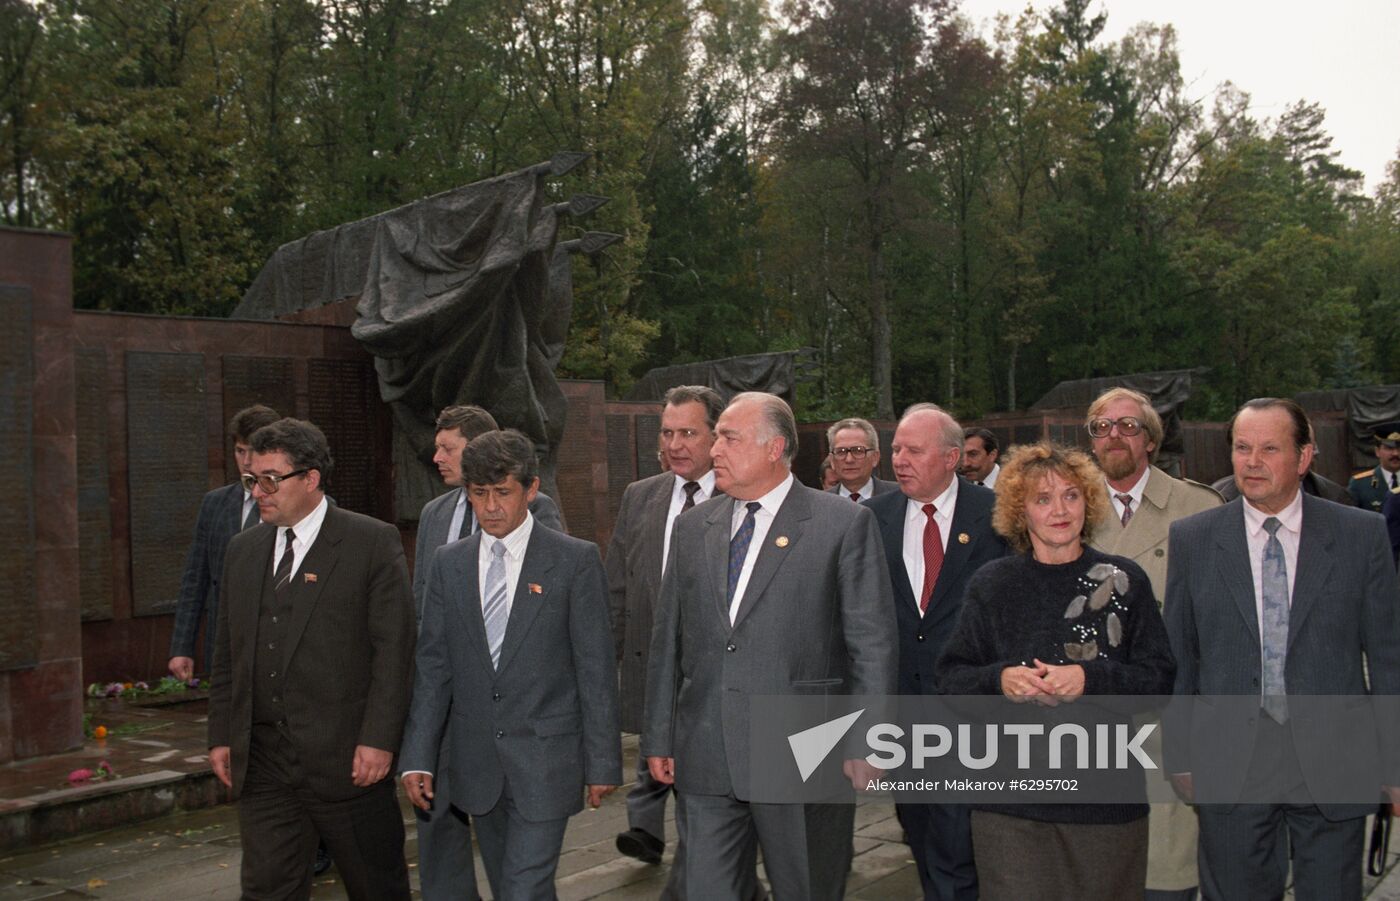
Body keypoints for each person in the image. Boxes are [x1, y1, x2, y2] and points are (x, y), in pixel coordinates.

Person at [642, 392, 897, 901]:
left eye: (729, 438)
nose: (714, 449)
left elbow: (872, 642)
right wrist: (658, 735)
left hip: (803, 749)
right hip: (707, 749)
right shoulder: (694, 527)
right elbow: (668, 637)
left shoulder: (841, 524)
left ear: (775, 447)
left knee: (805, 886)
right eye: (716, 437)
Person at [1165, 398, 1400, 900]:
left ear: (1304, 456)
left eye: (1270, 448)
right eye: (1242, 448)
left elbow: (1387, 656)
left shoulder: (1361, 534)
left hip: (1335, 756)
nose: (1252, 462)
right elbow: (1181, 655)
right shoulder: (1194, 539)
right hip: (1230, 758)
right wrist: (1179, 754)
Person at [936, 442, 1176, 901]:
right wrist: (999, 681)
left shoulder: (1124, 581)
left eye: (1071, 495)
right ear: (1019, 512)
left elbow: (1159, 680)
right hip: (1011, 806)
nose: (1059, 510)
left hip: (1107, 803)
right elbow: (951, 679)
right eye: (1042, 499)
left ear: (1089, 501)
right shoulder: (992, 584)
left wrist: (1090, 680)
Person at [400, 429, 621, 899]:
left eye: (503, 492)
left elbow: (595, 669)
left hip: (547, 759)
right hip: (477, 763)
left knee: (523, 888)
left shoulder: (574, 560)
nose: (491, 506)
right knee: (511, 887)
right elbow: (433, 668)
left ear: (532, 489)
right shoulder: (448, 563)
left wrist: (602, 761)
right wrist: (418, 755)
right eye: (479, 494)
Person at [208, 418, 415, 900]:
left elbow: (394, 652)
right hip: (264, 765)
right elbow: (226, 653)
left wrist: (379, 740)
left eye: (270, 480)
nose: (258, 491)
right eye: (251, 480)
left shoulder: (370, 543)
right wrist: (222, 734)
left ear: (311, 479)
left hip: (347, 764)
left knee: (376, 887)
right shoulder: (243, 551)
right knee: (265, 889)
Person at [409, 405, 563, 900]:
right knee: (438, 821)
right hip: (449, 701)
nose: (437, 457)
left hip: (514, 714)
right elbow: (423, 607)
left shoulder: (538, 509)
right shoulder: (435, 514)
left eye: (447, 448)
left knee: (514, 859)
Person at [865, 404, 1007, 900]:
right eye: (896, 448)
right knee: (922, 836)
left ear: (951, 457)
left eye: (913, 450)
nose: (899, 459)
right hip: (901, 717)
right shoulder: (871, 518)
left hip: (969, 716)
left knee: (957, 844)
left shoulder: (995, 516)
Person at [1084, 388, 1220, 900]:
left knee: (1166, 876)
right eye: (1100, 427)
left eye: (1127, 426)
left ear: (1151, 441)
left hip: (1168, 720)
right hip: (1089, 720)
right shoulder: (1062, 507)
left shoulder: (1197, 508)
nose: (1112, 435)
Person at [609, 386, 725, 881]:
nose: (674, 444)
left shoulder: (743, 495)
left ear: (718, 437)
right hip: (650, 664)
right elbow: (618, 582)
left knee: (702, 783)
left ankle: (707, 868)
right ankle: (656, 836)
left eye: (688, 433)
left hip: (713, 673)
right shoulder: (641, 496)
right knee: (658, 753)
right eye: (667, 432)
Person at [169, 404, 281, 682]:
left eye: (252, 450)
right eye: (239, 450)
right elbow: (195, 578)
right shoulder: (216, 503)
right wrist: (182, 647)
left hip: (277, 641)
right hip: (224, 643)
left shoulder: (297, 504)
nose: (245, 461)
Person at [826, 417, 897, 500]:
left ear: (875, 457)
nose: (849, 460)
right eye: (841, 452)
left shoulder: (900, 496)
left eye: (858, 451)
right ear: (832, 460)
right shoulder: (819, 503)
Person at [1346, 421, 1400, 512]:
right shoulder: (1360, 484)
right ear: (1377, 451)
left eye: (1399, 448)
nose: (1395, 453)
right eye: (1389, 448)